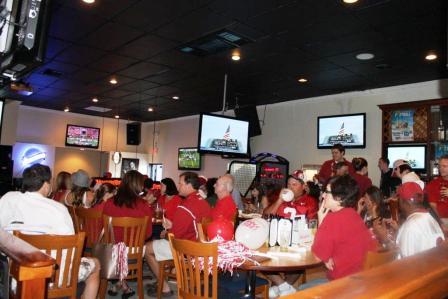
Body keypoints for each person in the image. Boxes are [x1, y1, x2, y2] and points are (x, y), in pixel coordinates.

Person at [0, 164, 100, 299]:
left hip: (15, 278)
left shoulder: (7, 199)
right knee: (96, 265)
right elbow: (70, 249)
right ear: (46, 186)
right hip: (56, 279)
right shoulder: (58, 210)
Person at [144, 172, 211, 296]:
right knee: (157, 245)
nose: (178, 187)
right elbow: (192, 225)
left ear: (189, 185)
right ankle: (161, 280)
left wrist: (166, 232)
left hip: (188, 249)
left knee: (147, 249)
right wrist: (172, 225)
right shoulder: (204, 202)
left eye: (180, 184)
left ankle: (164, 287)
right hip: (201, 246)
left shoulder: (185, 206)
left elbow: (175, 237)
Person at [310, 175, 376, 284]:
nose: (323, 195)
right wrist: (327, 257)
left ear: (339, 198)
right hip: (361, 281)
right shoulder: (353, 214)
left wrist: (321, 221)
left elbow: (317, 256)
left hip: (343, 285)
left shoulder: (333, 219)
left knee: (299, 290)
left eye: (327, 192)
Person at [264, 170, 318, 298]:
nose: (290, 188)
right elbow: (265, 215)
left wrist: (305, 240)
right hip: (277, 242)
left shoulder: (310, 202)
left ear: (303, 186)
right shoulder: (281, 199)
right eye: (288, 184)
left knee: (299, 264)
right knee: (262, 261)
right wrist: (279, 201)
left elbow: (313, 226)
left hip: (297, 243)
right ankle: (284, 287)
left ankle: (280, 287)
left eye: (294, 184)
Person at [102, 170, 153, 297]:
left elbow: (103, 229)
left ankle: (120, 282)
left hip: (112, 250)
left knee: (118, 245)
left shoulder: (109, 202)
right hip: (133, 251)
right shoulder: (144, 205)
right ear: (138, 185)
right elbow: (148, 233)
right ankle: (122, 283)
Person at [374, 182, 444, 258]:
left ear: (404, 201)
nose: (398, 201)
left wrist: (385, 240)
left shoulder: (410, 227)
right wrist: (398, 232)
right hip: (433, 266)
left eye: (399, 198)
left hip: (420, 269)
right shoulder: (431, 219)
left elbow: (403, 264)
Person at [425, 155, 448, 231]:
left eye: (444, 166)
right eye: (440, 166)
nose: (441, 169)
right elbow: (433, 206)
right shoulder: (433, 184)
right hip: (441, 220)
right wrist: (441, 223)